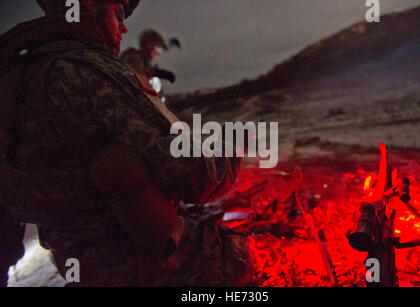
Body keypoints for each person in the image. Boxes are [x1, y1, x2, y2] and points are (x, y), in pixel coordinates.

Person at [0, 0, 253, 286]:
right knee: (240, 256)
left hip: (73, 258)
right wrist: (232, 148)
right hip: (132, 256)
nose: (123, 26)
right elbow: (193, 175)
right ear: (89, 6)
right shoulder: (87, 70)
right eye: (117, 14)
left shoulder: (12, 80)